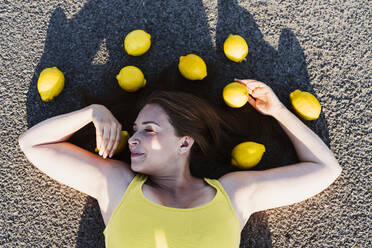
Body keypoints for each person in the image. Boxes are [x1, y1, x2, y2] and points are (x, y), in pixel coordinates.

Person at [18, 79, 342, 248]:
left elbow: (327, 170)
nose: (132, 139)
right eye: (136, 130)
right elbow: (32, 144)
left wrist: (278, 112)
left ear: (184, 143)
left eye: (149, 130)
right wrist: (92, 112)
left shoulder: (234, 194)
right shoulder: (116, 185)